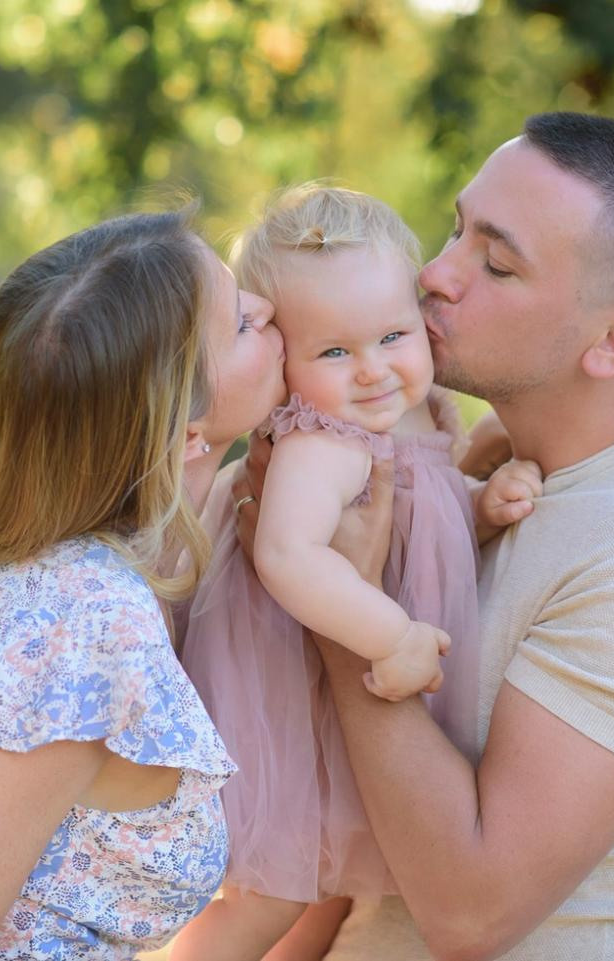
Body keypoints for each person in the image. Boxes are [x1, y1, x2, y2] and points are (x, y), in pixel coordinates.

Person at [233, 112, 614, 960]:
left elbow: (471, 912)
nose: (434, 275)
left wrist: (346, 613)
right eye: (457, 230)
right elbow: (351, 841)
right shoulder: (462, 470)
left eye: (495, 262)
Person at [0, 209, 288, 961]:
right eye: (244, 324)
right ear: (185, 433)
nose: (271, 309)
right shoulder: (77, 621)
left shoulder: (34, 552)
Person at [172, 185, 542, 961]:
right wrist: (392, 633)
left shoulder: (418, 413)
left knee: (321, 882)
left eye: (392, 335)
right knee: (270, 890)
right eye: (334, 351)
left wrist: (479, 503)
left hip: (334, 694)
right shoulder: (322, 443)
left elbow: (417, 519)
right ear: (284, 359)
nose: (372, 370)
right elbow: (289, 554)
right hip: (290, 689)